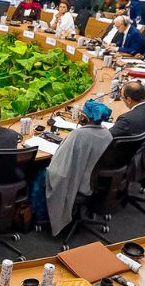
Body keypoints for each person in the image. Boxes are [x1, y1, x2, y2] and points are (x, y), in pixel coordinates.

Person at [38, 99, 113, 234]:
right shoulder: (107, 134)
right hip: (96, 183)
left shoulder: (78, 134)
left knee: (40, 173)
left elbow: (59, 166)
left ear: (84, 117)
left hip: (81, 184)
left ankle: (40, 217)